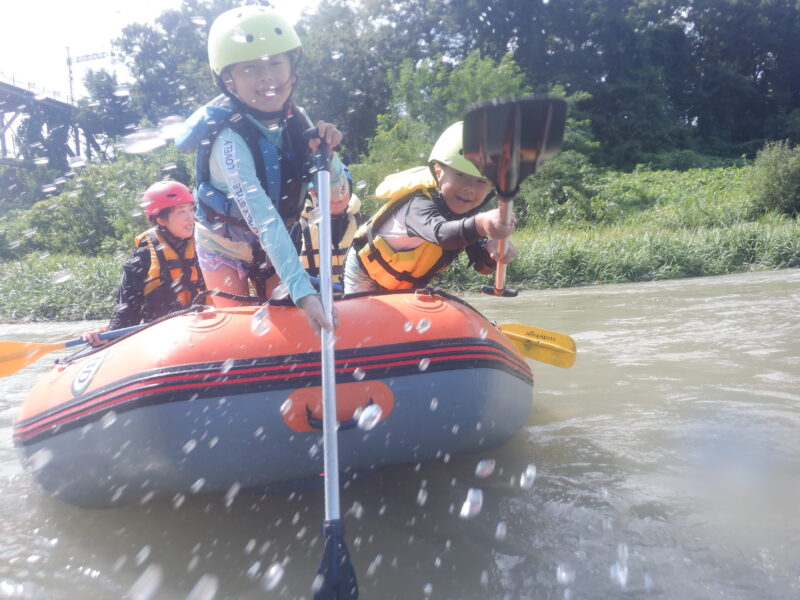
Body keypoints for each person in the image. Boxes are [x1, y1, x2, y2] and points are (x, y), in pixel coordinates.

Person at [175, 6, 343, 335]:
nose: (267, 77)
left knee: (287, 326)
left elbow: (339, 196)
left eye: (276, 63)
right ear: (229, 80)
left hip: (283, 239)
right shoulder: (228, 139)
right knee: (238, 333)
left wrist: (330, 157)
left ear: (292, 69)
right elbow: (263, 217)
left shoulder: (300, 121)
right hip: (224, 245)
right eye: (250, 68)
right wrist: (304, 291)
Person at [343, 121, 517, 293]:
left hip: (408, 282)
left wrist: (492, 254)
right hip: (365, 275)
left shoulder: (466, 214)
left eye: (481, 181)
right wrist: (482, 223)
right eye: (461, 176)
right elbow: (443, 234)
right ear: (439, 171)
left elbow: (482, 267)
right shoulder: (418, 206)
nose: (470, 189)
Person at [83, 181, 205, 346]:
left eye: (191, 209)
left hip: (206, 327)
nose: (191, 218)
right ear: (161, 220)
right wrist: (107, 335)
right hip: (163, 338)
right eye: (181, 212)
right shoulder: (143, 256)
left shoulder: (206, 246)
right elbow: (126, 310)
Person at [299, 165, 366, 286]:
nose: (336, 197)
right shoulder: (297, 228)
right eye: (328, 190)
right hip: (314, 301)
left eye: (342, 189)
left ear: (350, 192)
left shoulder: (365, 224)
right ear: (314, 193)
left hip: (357, 300)